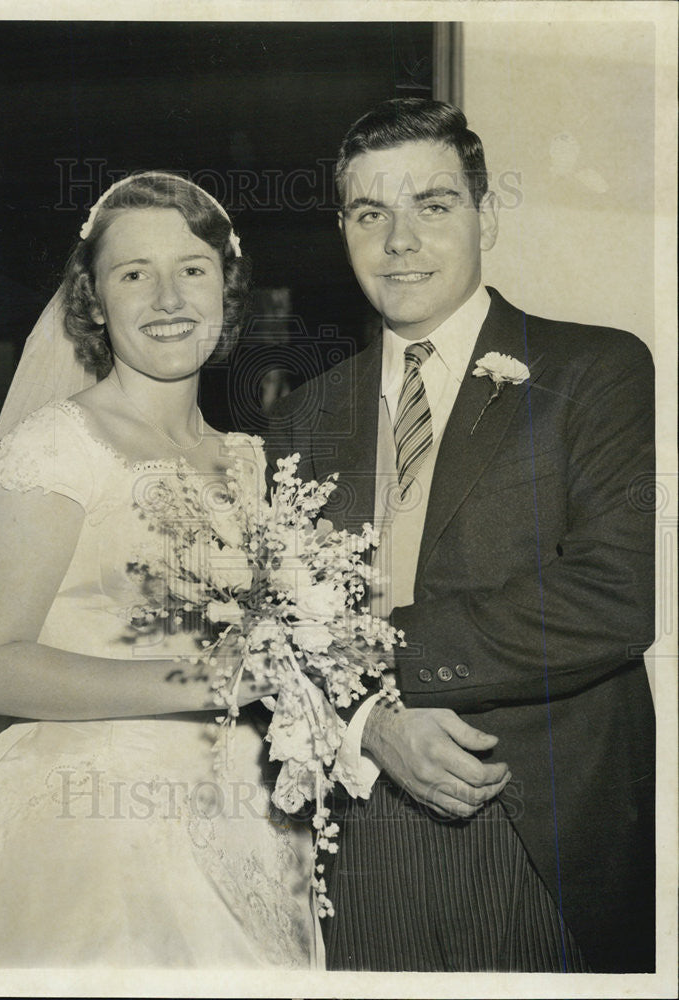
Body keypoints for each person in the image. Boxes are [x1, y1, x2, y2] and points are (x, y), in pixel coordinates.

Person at [266, 99, 655, 973]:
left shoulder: (596, 369)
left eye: (432, 206)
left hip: (537, 824)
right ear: (343, 230)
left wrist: (382, 667)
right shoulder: (301, 418)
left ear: (482, 214)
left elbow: (618, 595)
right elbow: (274, 629)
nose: (398, 241)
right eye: (371, 214)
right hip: (363, 830)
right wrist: (368, 724)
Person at [0, 171, 321, 968]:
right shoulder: (57, 444)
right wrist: (213, 681)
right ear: (93, 302)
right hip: (90, 825)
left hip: (247, 815)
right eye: (133, 274)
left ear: (227, 291)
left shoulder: (248, 461)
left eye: (191, 269)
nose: (167, 297)